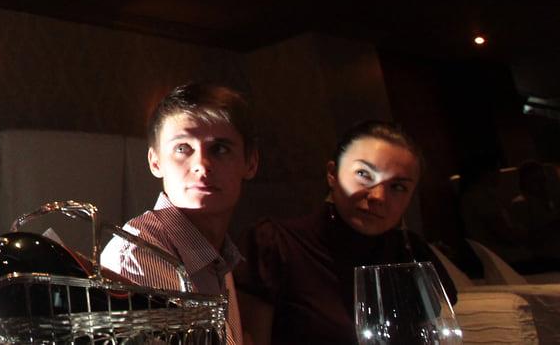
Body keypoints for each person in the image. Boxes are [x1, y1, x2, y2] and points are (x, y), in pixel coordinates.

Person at [235, 121, 458, 345]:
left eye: (397, 187)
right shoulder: (276, 245)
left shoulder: (411, 253)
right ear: (333, 174)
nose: (378, 197)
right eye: (364, 174)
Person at [100, 83, 260, 345]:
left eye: (220, 149)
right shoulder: (137, 258)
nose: (202, 165)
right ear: (155, 162)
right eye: (183, 148)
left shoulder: (217, 256)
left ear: (251, 163)